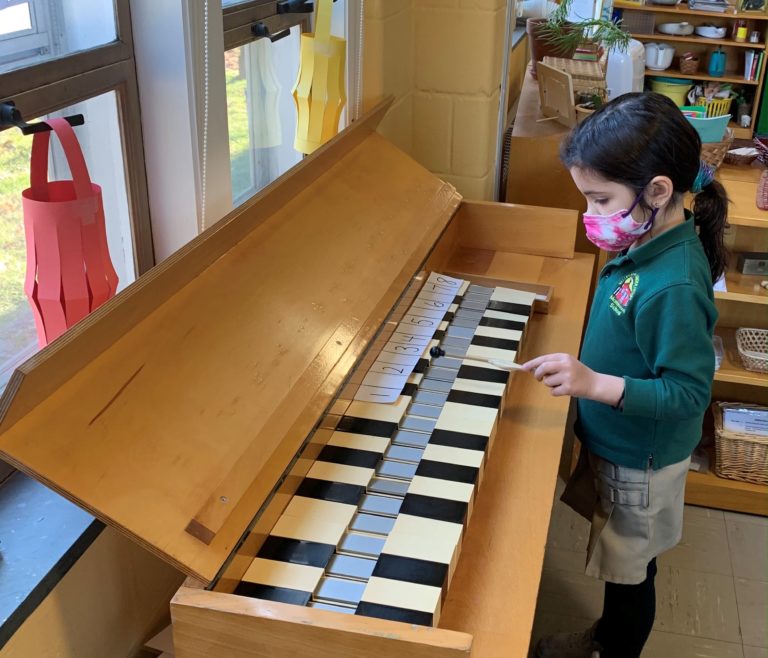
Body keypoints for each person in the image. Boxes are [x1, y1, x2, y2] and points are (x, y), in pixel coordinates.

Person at [522, 92, 728, 658]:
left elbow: (688, 393)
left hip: (641, 457)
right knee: (622, 561)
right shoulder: (646, 240)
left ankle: (614, 648)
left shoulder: (675, 283)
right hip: (619, 440)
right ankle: (607, 637)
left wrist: (593, 384)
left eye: (600, 198)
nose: (591, 214)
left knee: (630, 572)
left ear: (658, 192)